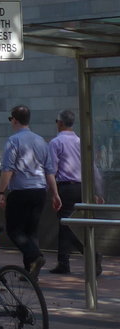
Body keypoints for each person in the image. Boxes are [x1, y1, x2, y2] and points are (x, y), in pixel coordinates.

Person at [0, 104, 60, 278]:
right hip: (40, 191)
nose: (11, 122)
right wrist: (55, 194)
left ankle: (35, 257)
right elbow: (49, 171)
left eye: (11, 119)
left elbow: (7, 169)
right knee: (31, 231)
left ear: (15, 120)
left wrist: (1, 193)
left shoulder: (13, 140)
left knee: (14, 230)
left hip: (21, 192)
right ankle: (30, 271)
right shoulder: (41, 141)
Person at [47, 109, 99, 274]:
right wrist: (97, 191)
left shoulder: (56, 143)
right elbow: (92, 167)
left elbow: (51, 170)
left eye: (56, 121)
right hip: (82, 187)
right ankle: (64, 262)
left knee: (67, 225)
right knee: (70, 225)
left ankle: (91, 255)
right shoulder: (81, 141)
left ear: (60, 123)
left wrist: (53, 193)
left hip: (66, 188)